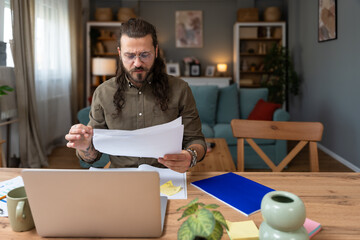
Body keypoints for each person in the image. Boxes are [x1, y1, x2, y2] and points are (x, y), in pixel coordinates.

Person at [65, 18, 206, 173]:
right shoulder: (103, 92)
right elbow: (92, 155)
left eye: (145, 54)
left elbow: (196, 140)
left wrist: (190, 156)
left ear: (156, 51)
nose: (138, 63)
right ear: (119, 53)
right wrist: (85, 146)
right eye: (130, 55)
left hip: (167, 177)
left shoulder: (180, 89)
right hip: (121, 178)